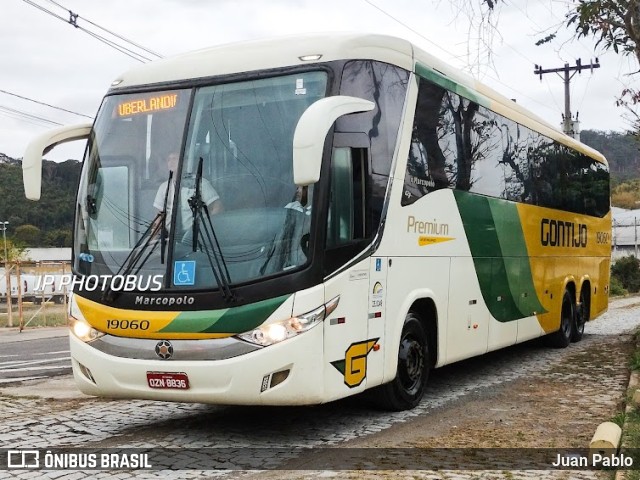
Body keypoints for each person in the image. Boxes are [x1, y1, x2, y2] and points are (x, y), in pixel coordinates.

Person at [153, 152, 223, 233]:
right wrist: (153, 237)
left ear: (185, 162)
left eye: (174, 159)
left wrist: (207, 230)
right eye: (169, 159)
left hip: (197, 238)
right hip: (171, 240)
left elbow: (217, 207)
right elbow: (159, 216)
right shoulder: (164, 187)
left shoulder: (200, 183)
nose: (171, 162)